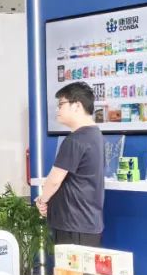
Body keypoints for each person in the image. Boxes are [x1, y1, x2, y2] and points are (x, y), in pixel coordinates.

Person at [36, 81, 105, 247]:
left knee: (70, 266)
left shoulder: (75, 140)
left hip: (73, 224)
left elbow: (54, 180)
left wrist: (42, 200)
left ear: (77, 106)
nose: (57, 110)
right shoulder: (95, 135)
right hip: (87, 223)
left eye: (61, 104)